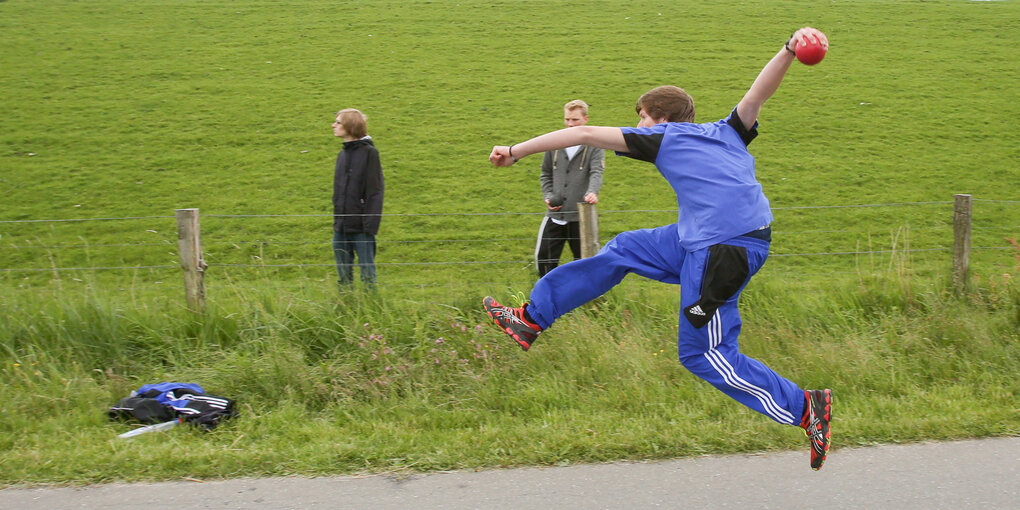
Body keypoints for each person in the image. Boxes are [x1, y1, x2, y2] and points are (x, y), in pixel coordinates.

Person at [483, 28, 833, 470]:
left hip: (725, 250)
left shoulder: (664, 137)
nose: (638, 126)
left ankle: (806, 409)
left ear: (660, 119)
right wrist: (788, 49)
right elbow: (757, 92)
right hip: (702, 237)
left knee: (703, 353)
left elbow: (587, 132)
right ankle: (531, 318)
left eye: (642, 118)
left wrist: (514, 151)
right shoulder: (728, 130)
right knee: (626, 248)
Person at [535, 100, 605, 277]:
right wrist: (548, 195)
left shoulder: (595, 146)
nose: (570, 124)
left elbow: (596, 172)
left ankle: (584, 300)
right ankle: (546, 300)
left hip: (580, 217)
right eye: (567, 119)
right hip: (555, 215)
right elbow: (545, 173)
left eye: (575, 119)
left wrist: (592, 192)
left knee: (584, 263)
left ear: (586, 119)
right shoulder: (554, 142)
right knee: (544, 260)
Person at [331, 108, 384, 287]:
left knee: (368, 275)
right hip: (341, 225)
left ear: (350, 126)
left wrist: (369, 225)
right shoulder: (342, 154)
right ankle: (346, 306)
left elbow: (375, 191)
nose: (333, 125)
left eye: (338, 122)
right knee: (343, 277)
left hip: (362, 226)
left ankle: (373, 307)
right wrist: (338, 221)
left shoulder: (369, 153)